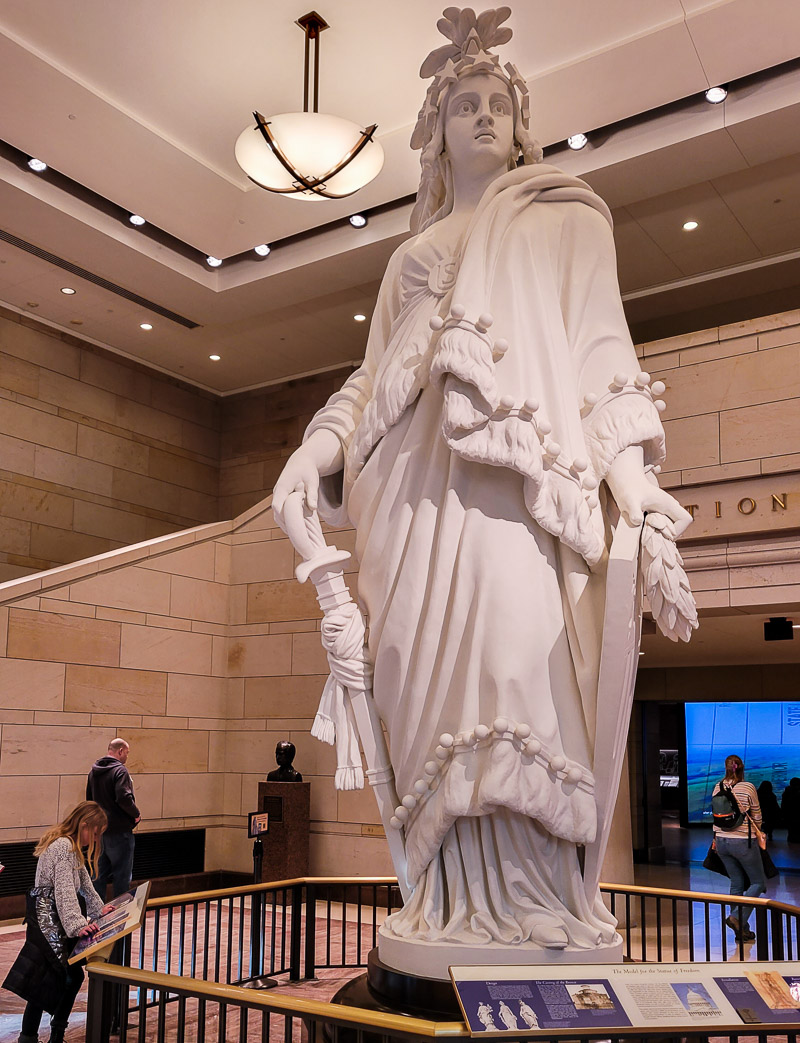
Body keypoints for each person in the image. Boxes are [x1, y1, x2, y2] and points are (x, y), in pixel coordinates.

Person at [273, 7, 690, 955]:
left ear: (521, 120)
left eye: (497, 100)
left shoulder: (561, 217)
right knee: (426, 685)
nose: (483, 115)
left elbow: (598, 347)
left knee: (516, 659)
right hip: (411, 497)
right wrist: (317, 448)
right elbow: (374, 376)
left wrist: (632, 472)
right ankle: (447, 902)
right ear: (436, 133)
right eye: (463, 103)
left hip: (511, 482)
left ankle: (535, 904)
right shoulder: (407, 258)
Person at [3, 802, 110, 1043]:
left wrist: (99, 908)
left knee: (55, 978)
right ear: (84, 825)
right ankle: (37, 1036)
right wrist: (77, 925)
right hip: (48, 923)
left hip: (50, 922)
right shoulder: (63, 847)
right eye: (95, 834)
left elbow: (84, 884)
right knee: (47, 979)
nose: (95, 840)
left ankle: (45, 1034)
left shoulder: (69, 847)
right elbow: (63, 892)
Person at [712, 755, 766, 942]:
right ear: (742, 768)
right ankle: (736, 917)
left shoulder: (717, 786)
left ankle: (741, 930)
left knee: (736, 882)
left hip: (721, 841)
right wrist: (760, 831)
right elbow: (756, 815)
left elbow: (716, 816)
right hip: (743, 841)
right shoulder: (748, 787)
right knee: (758, 882)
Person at [86, 738, 140, 898]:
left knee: (98, 875)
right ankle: (120, 918)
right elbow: (123, 797)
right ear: (120, 751)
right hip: (119, 831)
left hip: (99, 832)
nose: (127, 757)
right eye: (127, 753)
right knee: (122, 876)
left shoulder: (93, 772)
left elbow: (89, 801)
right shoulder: (120, 771)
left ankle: (96, 916)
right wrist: (136, 814)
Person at [781, 777, 800, 843]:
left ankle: (791, 838)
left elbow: (783, 804)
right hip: (796, 813)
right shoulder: (798, 793)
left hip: (788, 813)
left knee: (791, 828)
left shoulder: (786, 792)